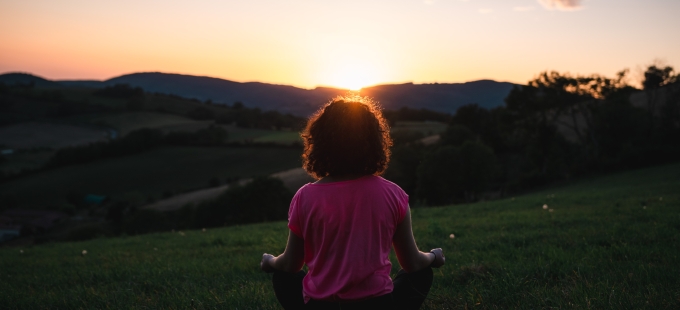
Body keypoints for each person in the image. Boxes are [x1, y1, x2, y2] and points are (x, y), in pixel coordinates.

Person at [260, 96, 445, 309]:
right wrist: (433, 256)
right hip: (378, 305)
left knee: (283, 277)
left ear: (319, 143)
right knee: (421, 274)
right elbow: (413, 264)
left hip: (320, 306)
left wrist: (270, 261)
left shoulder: (304, 197)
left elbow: (290, 265)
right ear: (375, 142)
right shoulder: (394, 194)